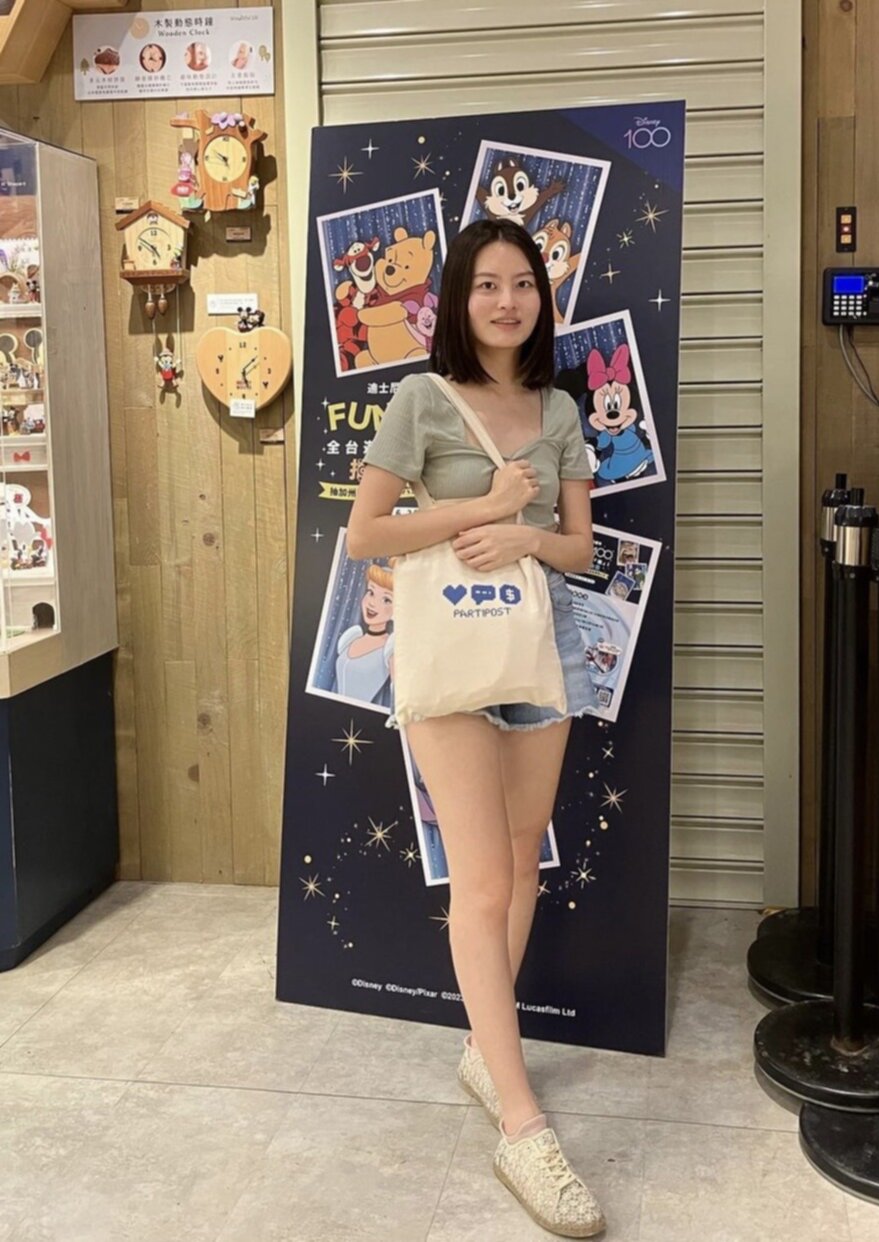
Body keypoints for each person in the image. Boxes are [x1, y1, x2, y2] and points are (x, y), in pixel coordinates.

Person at [346, 218, 606, 1238]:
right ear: (456, 299)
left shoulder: (561, 407)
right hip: (451, 651)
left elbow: (581, 550)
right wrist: (480, 510)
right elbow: (365, 534)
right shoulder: (421, 399)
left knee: (523, 860)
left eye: (523, 283)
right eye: (487, 284)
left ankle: (481, 1055)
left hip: (545, 642)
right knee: (482, 880)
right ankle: (523, 1125)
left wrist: (525, 536)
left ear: (543, 297)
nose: (507, 301)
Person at [334, 562, 395, 708]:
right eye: (371, 592)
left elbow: (399, 696)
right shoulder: (352, 636)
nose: (372, 603)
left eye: (386, 600)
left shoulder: (391, 648)